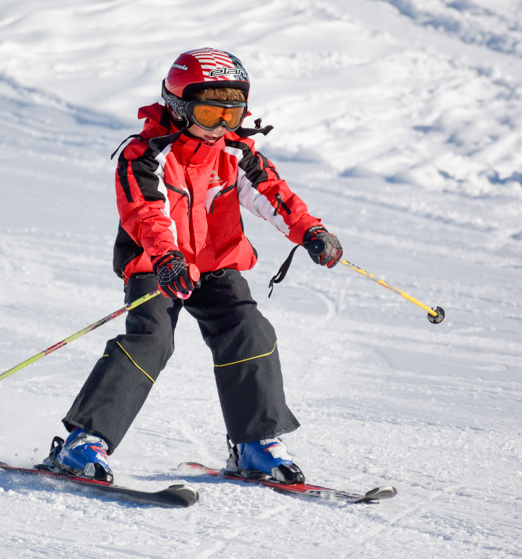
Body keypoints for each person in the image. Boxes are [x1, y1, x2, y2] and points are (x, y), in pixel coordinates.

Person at [44, 47, 343, 484]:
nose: (221, 125)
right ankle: (84, 441)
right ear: (180, 108)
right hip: (158, 265)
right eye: (209, 113)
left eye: (233, 113)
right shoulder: (145, 154)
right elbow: (145, 212)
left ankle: (255, 444)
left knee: (249, 330)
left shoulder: (235, 152)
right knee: (152, 339)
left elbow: (274, 195)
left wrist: (311, 232)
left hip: (215, 265)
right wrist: (167, 259)